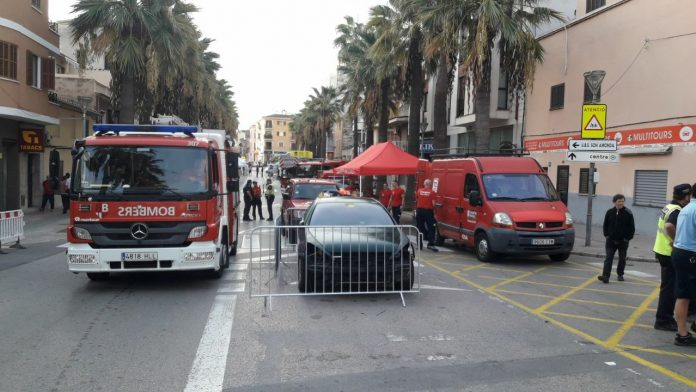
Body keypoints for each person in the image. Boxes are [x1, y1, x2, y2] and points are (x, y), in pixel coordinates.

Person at [653, 184, 692, 331]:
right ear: (687, 196)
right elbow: (669, 226)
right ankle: (663, 320)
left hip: (661, 250)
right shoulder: (677, 210)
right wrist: (677, 240)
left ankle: (665, 317)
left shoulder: (669, 206)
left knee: (667, 287)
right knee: (670, 288)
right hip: (669, 251)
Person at [671, 183, 696, 346]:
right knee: (685, 296)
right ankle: (682, 335)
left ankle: (683, 333)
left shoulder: (686, 208)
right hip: (690, 255)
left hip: (679, 252)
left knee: (684, 294)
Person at [598, 194, 635, 283]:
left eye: (622, 201)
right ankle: (606, 276)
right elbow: (605, 225)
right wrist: (607, 235)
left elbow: (632, 228)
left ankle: (620, 274)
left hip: (623, 241)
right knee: (608, 258)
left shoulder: (628, 213)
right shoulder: (609, 212)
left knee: (622, 258)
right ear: (614, 202)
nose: (621, 203)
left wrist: (627, 238)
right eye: (619, 201)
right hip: (611, 240)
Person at [416, 179, 438, 252]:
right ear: (430, 184)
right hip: (428, 212)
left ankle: (419, 245)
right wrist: (435, 213)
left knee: (419, 228)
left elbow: (417, 199)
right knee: (432, 227)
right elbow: (433, 204)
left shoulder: (419, 191)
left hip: (419, 211)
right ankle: (430, 244)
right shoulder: (432, 192)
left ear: (424, 184)